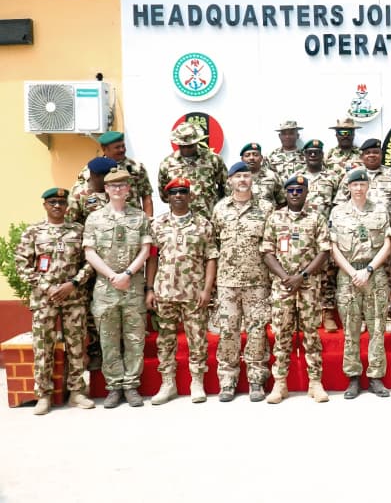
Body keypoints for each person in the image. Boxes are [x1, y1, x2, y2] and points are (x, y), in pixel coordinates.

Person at [15, 188, 95, 415]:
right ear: (45, 205)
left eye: (61, 202)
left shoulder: (78, 231)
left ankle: (77, 392)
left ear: (67, 206)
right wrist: (47, 287)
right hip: (45, 299)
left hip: (73, 297)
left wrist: (74, 284)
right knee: (43, 347)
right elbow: (22, 264)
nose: (57, 206)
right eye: (52, 202)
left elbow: (90, 262)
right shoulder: (33, 232)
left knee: (76, 345)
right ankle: (43, 395)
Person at [82, 167, 152, 408]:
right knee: (108, 339)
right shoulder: (94, 218)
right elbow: (90, 253)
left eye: (122, 185)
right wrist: (113, 276)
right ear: (106, 189)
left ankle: (131, 385)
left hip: (133, 286)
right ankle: (114, 387)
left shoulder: (139, 217)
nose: (118, 189)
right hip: (106, 288)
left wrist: (128, 274)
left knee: (134, 339)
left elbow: (145, 250)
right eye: (113, 186)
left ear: (129, 188)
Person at [145, 177, 218, 405]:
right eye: (174, 192)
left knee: (197, 339)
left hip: (194, 292)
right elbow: (152, 258)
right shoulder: (158, 224)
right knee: (165, 340)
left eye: (183, 192)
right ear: (168, 197)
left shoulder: (203, 224)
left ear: (190, 196)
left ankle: (197, 381)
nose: (178, 196)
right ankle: (168, 383)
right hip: (165, 291)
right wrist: (149, 288)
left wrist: (207, 289)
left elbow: (211, 258)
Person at [261, 175, 331, 404]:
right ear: (285, 192)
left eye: (299, 190)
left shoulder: (316, 218)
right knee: (281, 334)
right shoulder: (275, 218)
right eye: (291, 190)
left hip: (309, 286)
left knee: (312, 334)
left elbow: (324, 251)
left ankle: (315, 382)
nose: (294, 194)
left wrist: (302, 276)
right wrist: (285, 278)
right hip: (283, 288)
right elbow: (267, 252)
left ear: (306, 193)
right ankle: (280, 383)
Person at [211, 161, 275, 402]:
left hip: (257, 281)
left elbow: (271, 243)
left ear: (252, 179)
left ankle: (257, 379)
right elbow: (215, 244)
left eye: (246, 176)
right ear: (229, 181)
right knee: (228, 331)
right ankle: (227, 381)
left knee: (257, 331)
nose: (242, 180)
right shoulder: (220, 209)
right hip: (227, 282)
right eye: (237, 176)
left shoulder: (266, 208)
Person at [329, 168, 391, 399]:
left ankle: (376, 377)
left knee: (377, 327)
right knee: (351, 328)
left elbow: (388, 244)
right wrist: (353, 272)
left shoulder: (380, 210)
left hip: (374, 273)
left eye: (362, 184)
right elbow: (333, 248)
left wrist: (368, 270)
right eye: (354, 185)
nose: (358, 188)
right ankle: (353, 377)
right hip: (348, 275)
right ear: (348, 187)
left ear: (368, 186)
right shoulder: (338, 212)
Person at [335, 138, 391, 333]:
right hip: (357, 241)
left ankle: (388, 316)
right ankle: (361, 317)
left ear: (381, 154)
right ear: (362, 156)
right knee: (358, 277)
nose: (372, 155)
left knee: (389, 277)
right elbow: (339, 205)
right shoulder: (352, 176)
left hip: (386, 238)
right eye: (368, 153)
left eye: (376, 152)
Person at [66, 155, 115, 370]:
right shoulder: (80, 194)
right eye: (107, 176)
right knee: (91, 306)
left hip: (115, 259)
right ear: (96, 176)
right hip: (90, 260)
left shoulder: (117, 191)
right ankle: (96, 351)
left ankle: (117, 349)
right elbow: (70, 227)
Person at [293, 139, 342, 332]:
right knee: (301, 270)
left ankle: (327, 312)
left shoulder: (332, 177)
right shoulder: (296, 176)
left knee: (328, 273)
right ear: (304, 155)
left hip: (325, 232)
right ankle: (300, 313)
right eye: (309, 152)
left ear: (322, 155)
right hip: (302, 233)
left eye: (316, 152)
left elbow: (339, 205)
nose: (313, 155)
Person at [75, 131, 153, 217]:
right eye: (117, 147)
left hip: (133, 219)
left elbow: (147, 197)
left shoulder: (136, 167)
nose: (122, 150)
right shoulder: (92, 169)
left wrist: (148, 220)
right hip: (102, 219)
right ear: (104, 149)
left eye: (123, 146)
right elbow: (78, 196)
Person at [157, 122, 227, 217]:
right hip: (180, 219)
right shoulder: (167, 163)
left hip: (209, 217)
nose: (186, 149)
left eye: (190, 146)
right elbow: (164, 194)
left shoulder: (213, 159)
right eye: (183, 146)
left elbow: (226, 186)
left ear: (196, 142)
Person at [238, 142, 286, 207]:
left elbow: (282, 201)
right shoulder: (236, 178)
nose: (251, 158)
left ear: (261, 158)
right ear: (242, 159)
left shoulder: (272, 176)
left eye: (255, 155)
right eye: (247, 155)